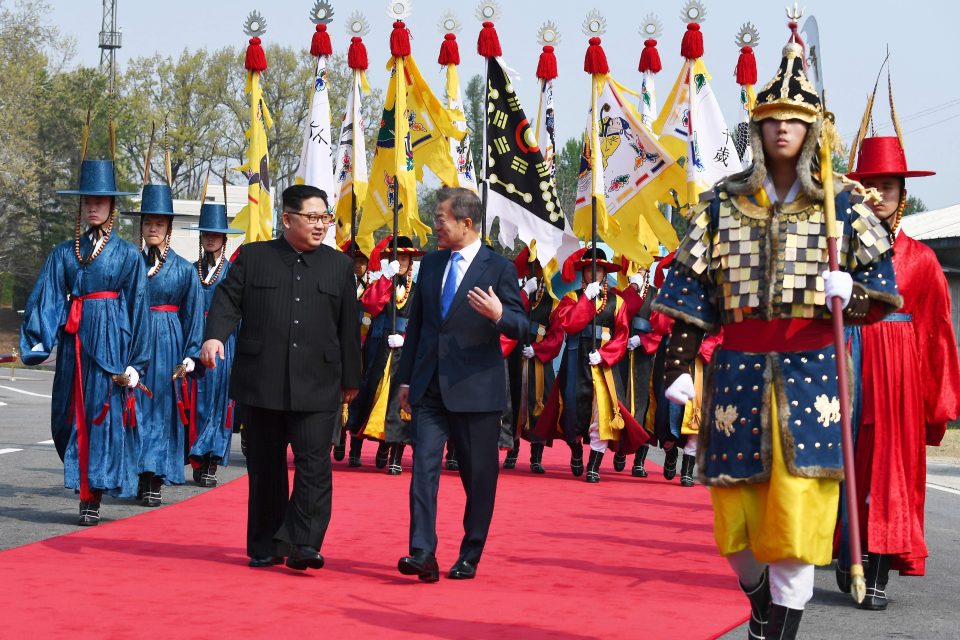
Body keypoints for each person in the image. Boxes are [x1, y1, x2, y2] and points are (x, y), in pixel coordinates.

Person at [653, 35, 902, 639]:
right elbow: (688, 293)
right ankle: (757, 594)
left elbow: (885, 290)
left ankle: (780, 630)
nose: (783, 129)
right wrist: (677, 369)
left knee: (797, 523)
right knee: (733, 528)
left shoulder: (843, 207)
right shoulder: (721, 206)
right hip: (737, 376)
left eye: (795, 119)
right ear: (758, 128)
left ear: (812, 129)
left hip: (812, 373)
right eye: (772, 120)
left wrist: (855, 293)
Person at [200, 184, 361, 571]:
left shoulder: (339, 266)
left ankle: (304, 543)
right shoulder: (254, 258)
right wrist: (213, 336)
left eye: (325, 217)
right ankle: (265, 544)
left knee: (314, 466)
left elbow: (348, 330)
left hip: (319, 382)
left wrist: (352, 380)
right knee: (266, 467)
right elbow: (227, 300)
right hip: (262, 380)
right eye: (312, 217)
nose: (320, 224)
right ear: (287, 219)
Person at [836, 110, 960, 609]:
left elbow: (937, 336)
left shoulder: (922, 261)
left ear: (902, 193)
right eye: (872, 185)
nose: (881, 195)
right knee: (847, 466)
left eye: (889, 186)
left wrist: (938, 402)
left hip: (898, 377)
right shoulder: (837, 253)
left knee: (889, 471)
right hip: (847, 362)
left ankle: (880, 569)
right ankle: (848, 554)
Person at [395, 187, 526, 582]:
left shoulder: (499, 268)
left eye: (440, 219)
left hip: (476, 392)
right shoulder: (431, 265)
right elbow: (417, 325)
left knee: (479, 477)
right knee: (423, 469)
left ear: (465, 224)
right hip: (430, 388)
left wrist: (500, 313)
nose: (435, 225)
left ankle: (470, 552)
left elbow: (524, 327)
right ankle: (422, 552)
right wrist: (405, 379)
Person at [20, 158, 150, 526]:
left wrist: (135, 363)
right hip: (74, 346)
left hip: (112, 344)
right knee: (67, 416)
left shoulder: (127, 255)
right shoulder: (63, 253)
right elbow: (45, 299)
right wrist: (35, 344)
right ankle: (85, 483)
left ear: (111, 205)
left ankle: (90, 496)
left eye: (100, 200)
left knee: (100, 417)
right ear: (80, 204)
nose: (93, 206)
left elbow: (139, 307)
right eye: (87, 200)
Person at [535, 246, 648, 483]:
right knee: (571, 411)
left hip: (604, 364)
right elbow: (570, 324)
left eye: (599, 271)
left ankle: (594, 465)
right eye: (589, 270)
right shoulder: (572, 298)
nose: (594, 274)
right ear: (584, 272)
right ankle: (576, 449)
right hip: (577, 361)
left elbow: (622, 334)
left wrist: (606, 356)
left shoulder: (617, 302)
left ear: (604, 273)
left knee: (603, 413)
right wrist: (587, 299)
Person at [126, 183, 204, 506]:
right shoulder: (129, 265)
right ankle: (136, 472)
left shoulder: (185, 271)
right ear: (142, 227)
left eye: (160, 223)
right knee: (135, 411)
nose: (153, 228)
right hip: (134, 344)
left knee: (159, 411)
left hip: (168, 343)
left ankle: (154, 477)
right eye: (148, 223)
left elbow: (194, 316)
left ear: (169, 227)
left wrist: (190, 355)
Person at [352, 235, 424, 475]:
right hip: (379, 349)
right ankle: (358, 445)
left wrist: (406, 338)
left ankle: (395, 452)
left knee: (399, 402)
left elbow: (423, 321)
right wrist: (385, 278)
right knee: (369, 395)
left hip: (405, 350)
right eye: (397, 257)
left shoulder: (419, 289)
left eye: (405, 258)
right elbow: (370, 305)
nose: (401, 262)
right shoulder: (383, 283)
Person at [186, 202, 244, 487]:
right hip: (193, 341)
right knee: (194, 399)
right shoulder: (190, 271)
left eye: (216, 234)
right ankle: (194, 455)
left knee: (219, 403)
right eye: (206, 234)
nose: (210, 238)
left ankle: (210, 458)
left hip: (224, 345)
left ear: (224, 238)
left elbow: (242, 315)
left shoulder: (234, 273)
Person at [511, 247, 564, 474]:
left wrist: (538, 349)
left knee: (538, 406)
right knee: (515, 404)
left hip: (539, 360)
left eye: (541, 267)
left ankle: (536, 456)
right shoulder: (517, 294)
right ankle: (511, 450)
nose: (537, 272)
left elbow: (557, 336)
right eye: (534, 267)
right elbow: (509, 315)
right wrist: (523, 293)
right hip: (517, 356)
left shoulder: (553, 303)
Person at [334, 239, 372, 464]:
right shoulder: (339, 285)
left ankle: (355, 447)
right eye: (354, 261)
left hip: (366, 349)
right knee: (340, 397)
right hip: (343, 347)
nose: (358, 265)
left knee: (362, 397)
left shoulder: (373, 288)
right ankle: (338, 439)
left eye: (362, 261)